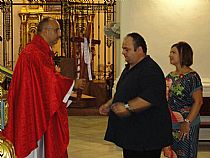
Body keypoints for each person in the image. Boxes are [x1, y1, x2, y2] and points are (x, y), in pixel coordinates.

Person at [1, 17, 85, 158]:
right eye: (57, 30)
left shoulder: (38, 50)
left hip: (35, 105)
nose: (59, 34)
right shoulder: (34, 53)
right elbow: (49, 81)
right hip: (31, 109)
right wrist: (72, 84)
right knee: (34, 148)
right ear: (46, 31)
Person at [99, 32, 172, 158]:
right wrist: (110, 103)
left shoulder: (150, 70)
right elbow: (124, 91)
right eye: (123, 49)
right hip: (132, 135)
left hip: (147, 136)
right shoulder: (130, 68)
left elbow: (149, 98)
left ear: (139, 50)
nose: (123, 52)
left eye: (126, 49)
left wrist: (127, 107)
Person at [163, 42, 203, 158]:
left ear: (183, 55)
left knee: (186, 154)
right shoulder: (170, 76)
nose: (170, 55)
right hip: (171, 124)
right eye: (170, 52)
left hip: (187, 125)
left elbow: (198, 102)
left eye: (173, 52)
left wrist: (187, 122)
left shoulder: (192, 77)